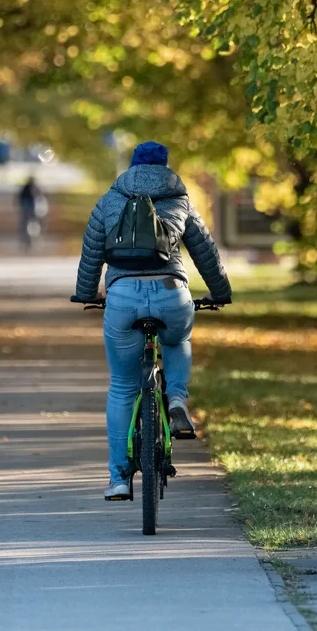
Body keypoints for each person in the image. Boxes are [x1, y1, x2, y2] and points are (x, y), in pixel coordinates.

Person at [73, 141, 232, 500]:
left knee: (122, 387)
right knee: (177, 339)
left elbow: (91, 252)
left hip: (123, 296)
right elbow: (205, 252)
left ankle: (118, 477)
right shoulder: (180, 199)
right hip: (170, 291)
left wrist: (86, 293)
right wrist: (220, 292)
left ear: (131, 167)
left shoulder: (110, 200)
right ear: (165, 167)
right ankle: (176, 398)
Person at [17, 176, 48, 249]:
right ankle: (28, 239)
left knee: (30, 224)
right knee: (28, 224)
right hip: (29, 209)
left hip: (31, 210)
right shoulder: (29, 188)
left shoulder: (31, 188)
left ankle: (31, 238)